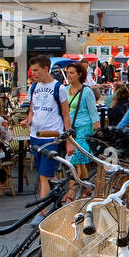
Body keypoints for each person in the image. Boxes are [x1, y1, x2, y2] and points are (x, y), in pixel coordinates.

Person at [21, 55, 75, 201]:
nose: (34, 74)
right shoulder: (33, 87)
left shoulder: (59, 88)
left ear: (46, 69)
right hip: (35, 136)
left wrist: (69, 141)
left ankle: (41, 213)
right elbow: (32, 110)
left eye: (37, 70)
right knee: (46, 174)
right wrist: (28, 120)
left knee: (44, 176)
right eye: (32, 70)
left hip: (52, 136)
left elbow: (66, 115)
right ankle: (57, 198)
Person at [63, 61, 99, 198]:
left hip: (85, 129)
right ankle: (87, 186)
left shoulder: (87, 91)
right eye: (67, 73)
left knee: (75, 159)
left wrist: (97, 129)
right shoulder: (65, 90)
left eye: (71, 73)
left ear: (79, 74)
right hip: (71, 129)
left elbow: (93, 111)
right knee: (80, 162)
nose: (69, 75)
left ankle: (71, 191)